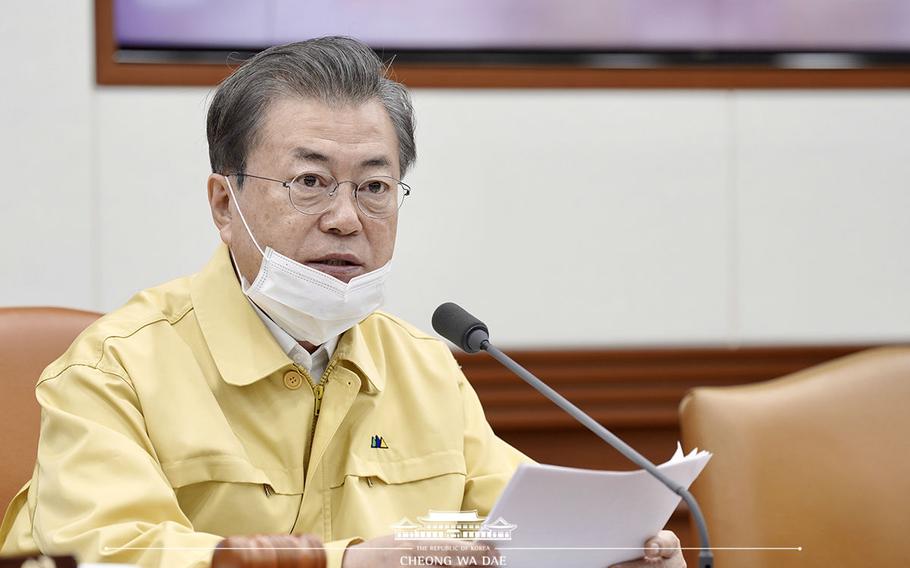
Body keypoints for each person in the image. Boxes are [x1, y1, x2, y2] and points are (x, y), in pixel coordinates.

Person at [0, 37, 685, 568]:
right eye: (309, 180)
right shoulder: (115, 368)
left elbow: (512, 530)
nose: (346, 218)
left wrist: (610, 550)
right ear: (224, 203)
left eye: (375, 187)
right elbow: (103, 553)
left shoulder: (424, 368)